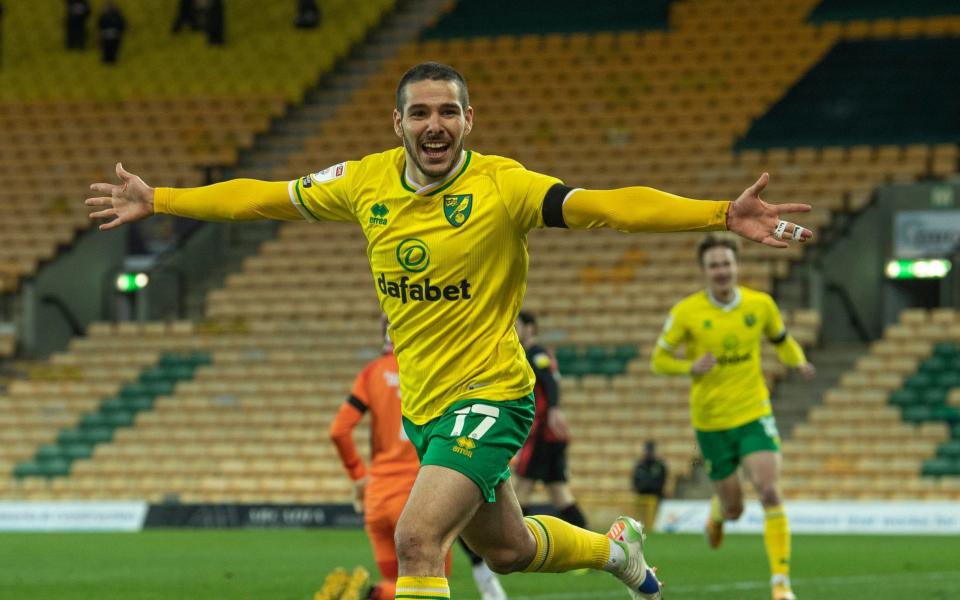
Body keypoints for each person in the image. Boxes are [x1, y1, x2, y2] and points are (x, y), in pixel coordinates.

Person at [86, 61, 812, 600]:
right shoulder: (365, 182)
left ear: (470, 121)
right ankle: (612, 548)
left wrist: (720, 213)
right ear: (397, 124)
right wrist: (164, 199)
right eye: (421, 112)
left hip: (494, 392)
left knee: (416, 539)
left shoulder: (502, 186)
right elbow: (263, 199)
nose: (435, 124)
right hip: (430, 409)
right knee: (509, 550)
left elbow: (608, 207)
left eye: (448, 112)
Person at [650, 233, 815, 600]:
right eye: (714, 266)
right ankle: (718, 513)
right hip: (711, 422)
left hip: (754, 411)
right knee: (735, 508)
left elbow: (782, 339)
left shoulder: (761, 305)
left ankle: (781, 583)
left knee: (769, 490)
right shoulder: (686, 313)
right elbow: (658, 360)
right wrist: (689, 366)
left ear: (736, 266)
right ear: (704, 271)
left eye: (726, 263)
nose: (722, 271)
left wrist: (798, 361)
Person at [325, 320, 507, 600]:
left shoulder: (371, 374)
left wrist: (358, 475)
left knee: (397, 584)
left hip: (377, 496)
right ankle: (367, 593)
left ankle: (372, 592)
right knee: (429, 582)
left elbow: (339, 430)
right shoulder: (433, 370)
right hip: (422, 492)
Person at [512, 311, 587, 528]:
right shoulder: (539, 354)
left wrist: (554, 409)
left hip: (542, 433)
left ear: (530, 328)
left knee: (521, 490)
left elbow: (550, 381)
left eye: (517, 325)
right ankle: (593, 544)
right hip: (552, 436)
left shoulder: (535, 354)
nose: (514, 331)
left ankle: (516, 547)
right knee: (560, 493)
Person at [631, 441, 667, 530]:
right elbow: (635, 481)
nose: (649, 453)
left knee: (655, 523)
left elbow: (662, 481)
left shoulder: (659, 465)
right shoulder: (639, 465)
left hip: (656, 498)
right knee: (641, 522)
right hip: (642, 498)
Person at [97, 0, 125, 65]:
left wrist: (117, 31)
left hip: (114, 36)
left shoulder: (117, 16)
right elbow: (100, 25)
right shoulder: (103, 16)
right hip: (105, 36)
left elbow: (121, 25)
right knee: (106, 51)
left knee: (113, 51)